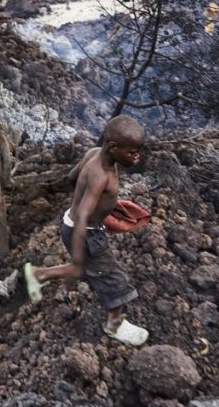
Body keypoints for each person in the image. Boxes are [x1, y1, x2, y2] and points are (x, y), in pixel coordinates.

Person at [23, 114, 150, 346]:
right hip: (87, 232)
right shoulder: (104, 175)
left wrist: (103, 206)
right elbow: (83, 216)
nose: (137, 156)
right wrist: (76, 260)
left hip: (68, 223)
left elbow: (72, 179)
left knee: (91, 271)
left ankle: (38, 275)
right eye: (132, 152)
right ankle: (115, 326)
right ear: (113, 147)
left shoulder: (92, 154)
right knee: (115, 279)